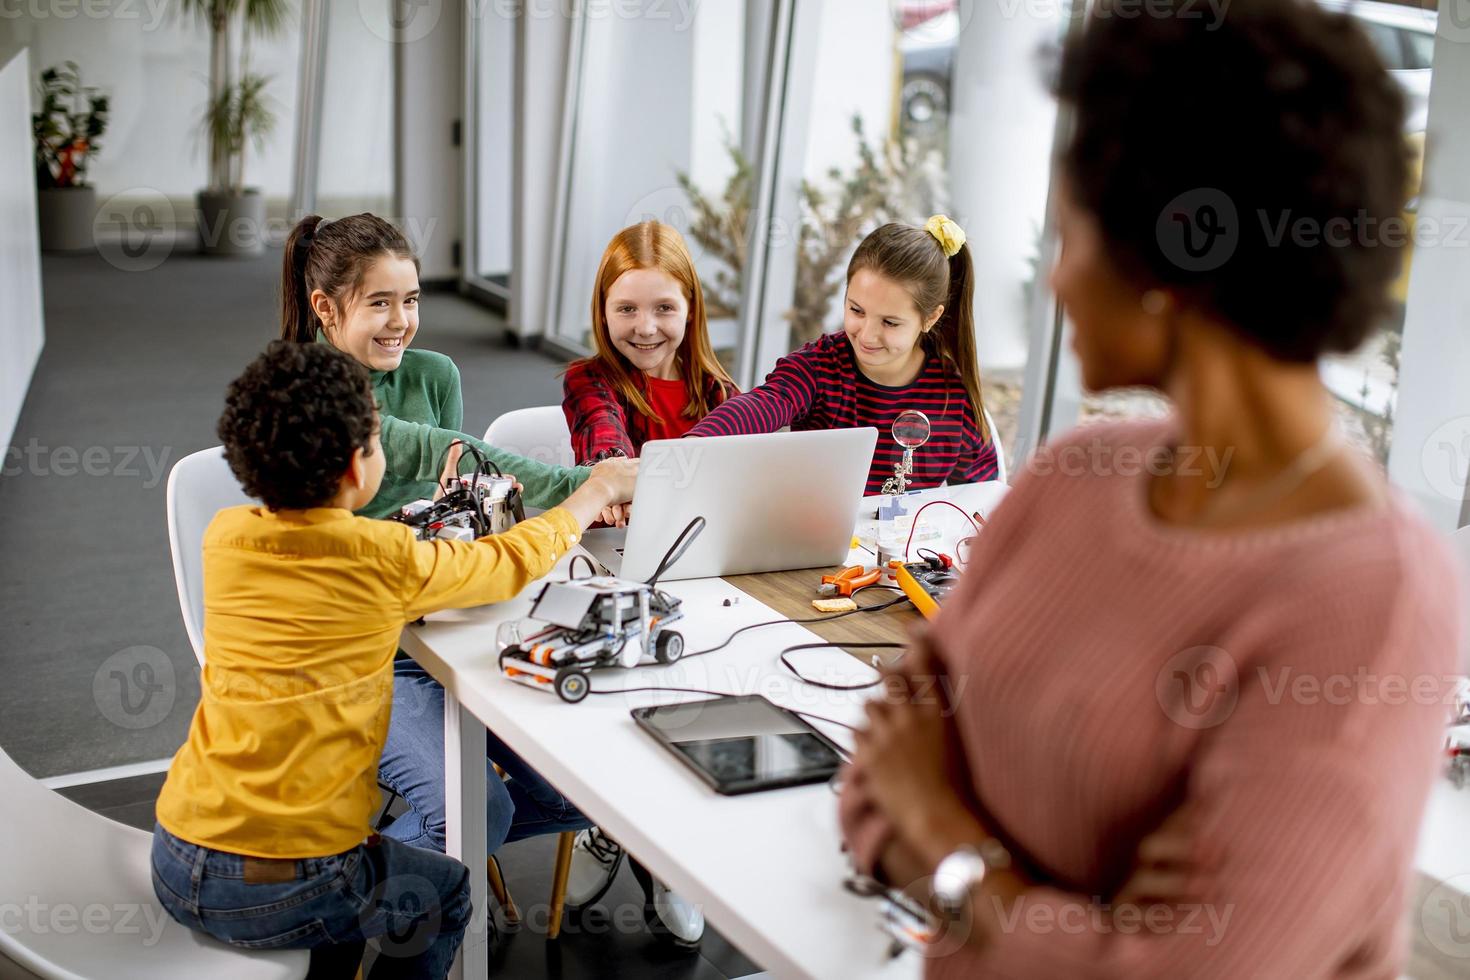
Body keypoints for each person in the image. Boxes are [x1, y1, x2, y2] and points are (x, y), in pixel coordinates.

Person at [840, 2, 1460, 976]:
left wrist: (950, 837)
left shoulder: (1372, 596)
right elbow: (881, 758)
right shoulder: (1077, 479)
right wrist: (1069, 912)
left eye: (1073, 232)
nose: (1052, 280)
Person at [151, 341, 637, 978]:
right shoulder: (380, 558)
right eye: (379, 442)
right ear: (358, 469)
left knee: (355, 905)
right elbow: (509, 560)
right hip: (281, 884)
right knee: (444, 895)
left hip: (177, 852)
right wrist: (595, 487)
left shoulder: (227, 535)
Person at [278, 214, 632, 925]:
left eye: (410, 300)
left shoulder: (434, 373)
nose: (400, 322)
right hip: (350, 657)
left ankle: (418, 866)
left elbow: (458, 497)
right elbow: (443, 447)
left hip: (441, 627)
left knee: (578, 788)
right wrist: (597, 485)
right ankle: (324, 899)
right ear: (325, 308)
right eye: (379, 303)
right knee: (477, 807)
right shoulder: (303, 394)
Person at [687, 218, 1000, 492]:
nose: (866, 335)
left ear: (930, 318)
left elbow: (981, 498)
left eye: (889, 322)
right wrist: (688, 450)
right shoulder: (819, 367)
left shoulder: (953, 395)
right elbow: (760, 406)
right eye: (856, 310)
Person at [562, 220, 738, 468]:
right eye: (627, 308)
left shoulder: (718, 391)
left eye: (664, 308)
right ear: (602, 311)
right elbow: (601, 430)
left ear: (691, 310)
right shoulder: (589, 380)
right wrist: (613, 471)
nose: (645, 329)